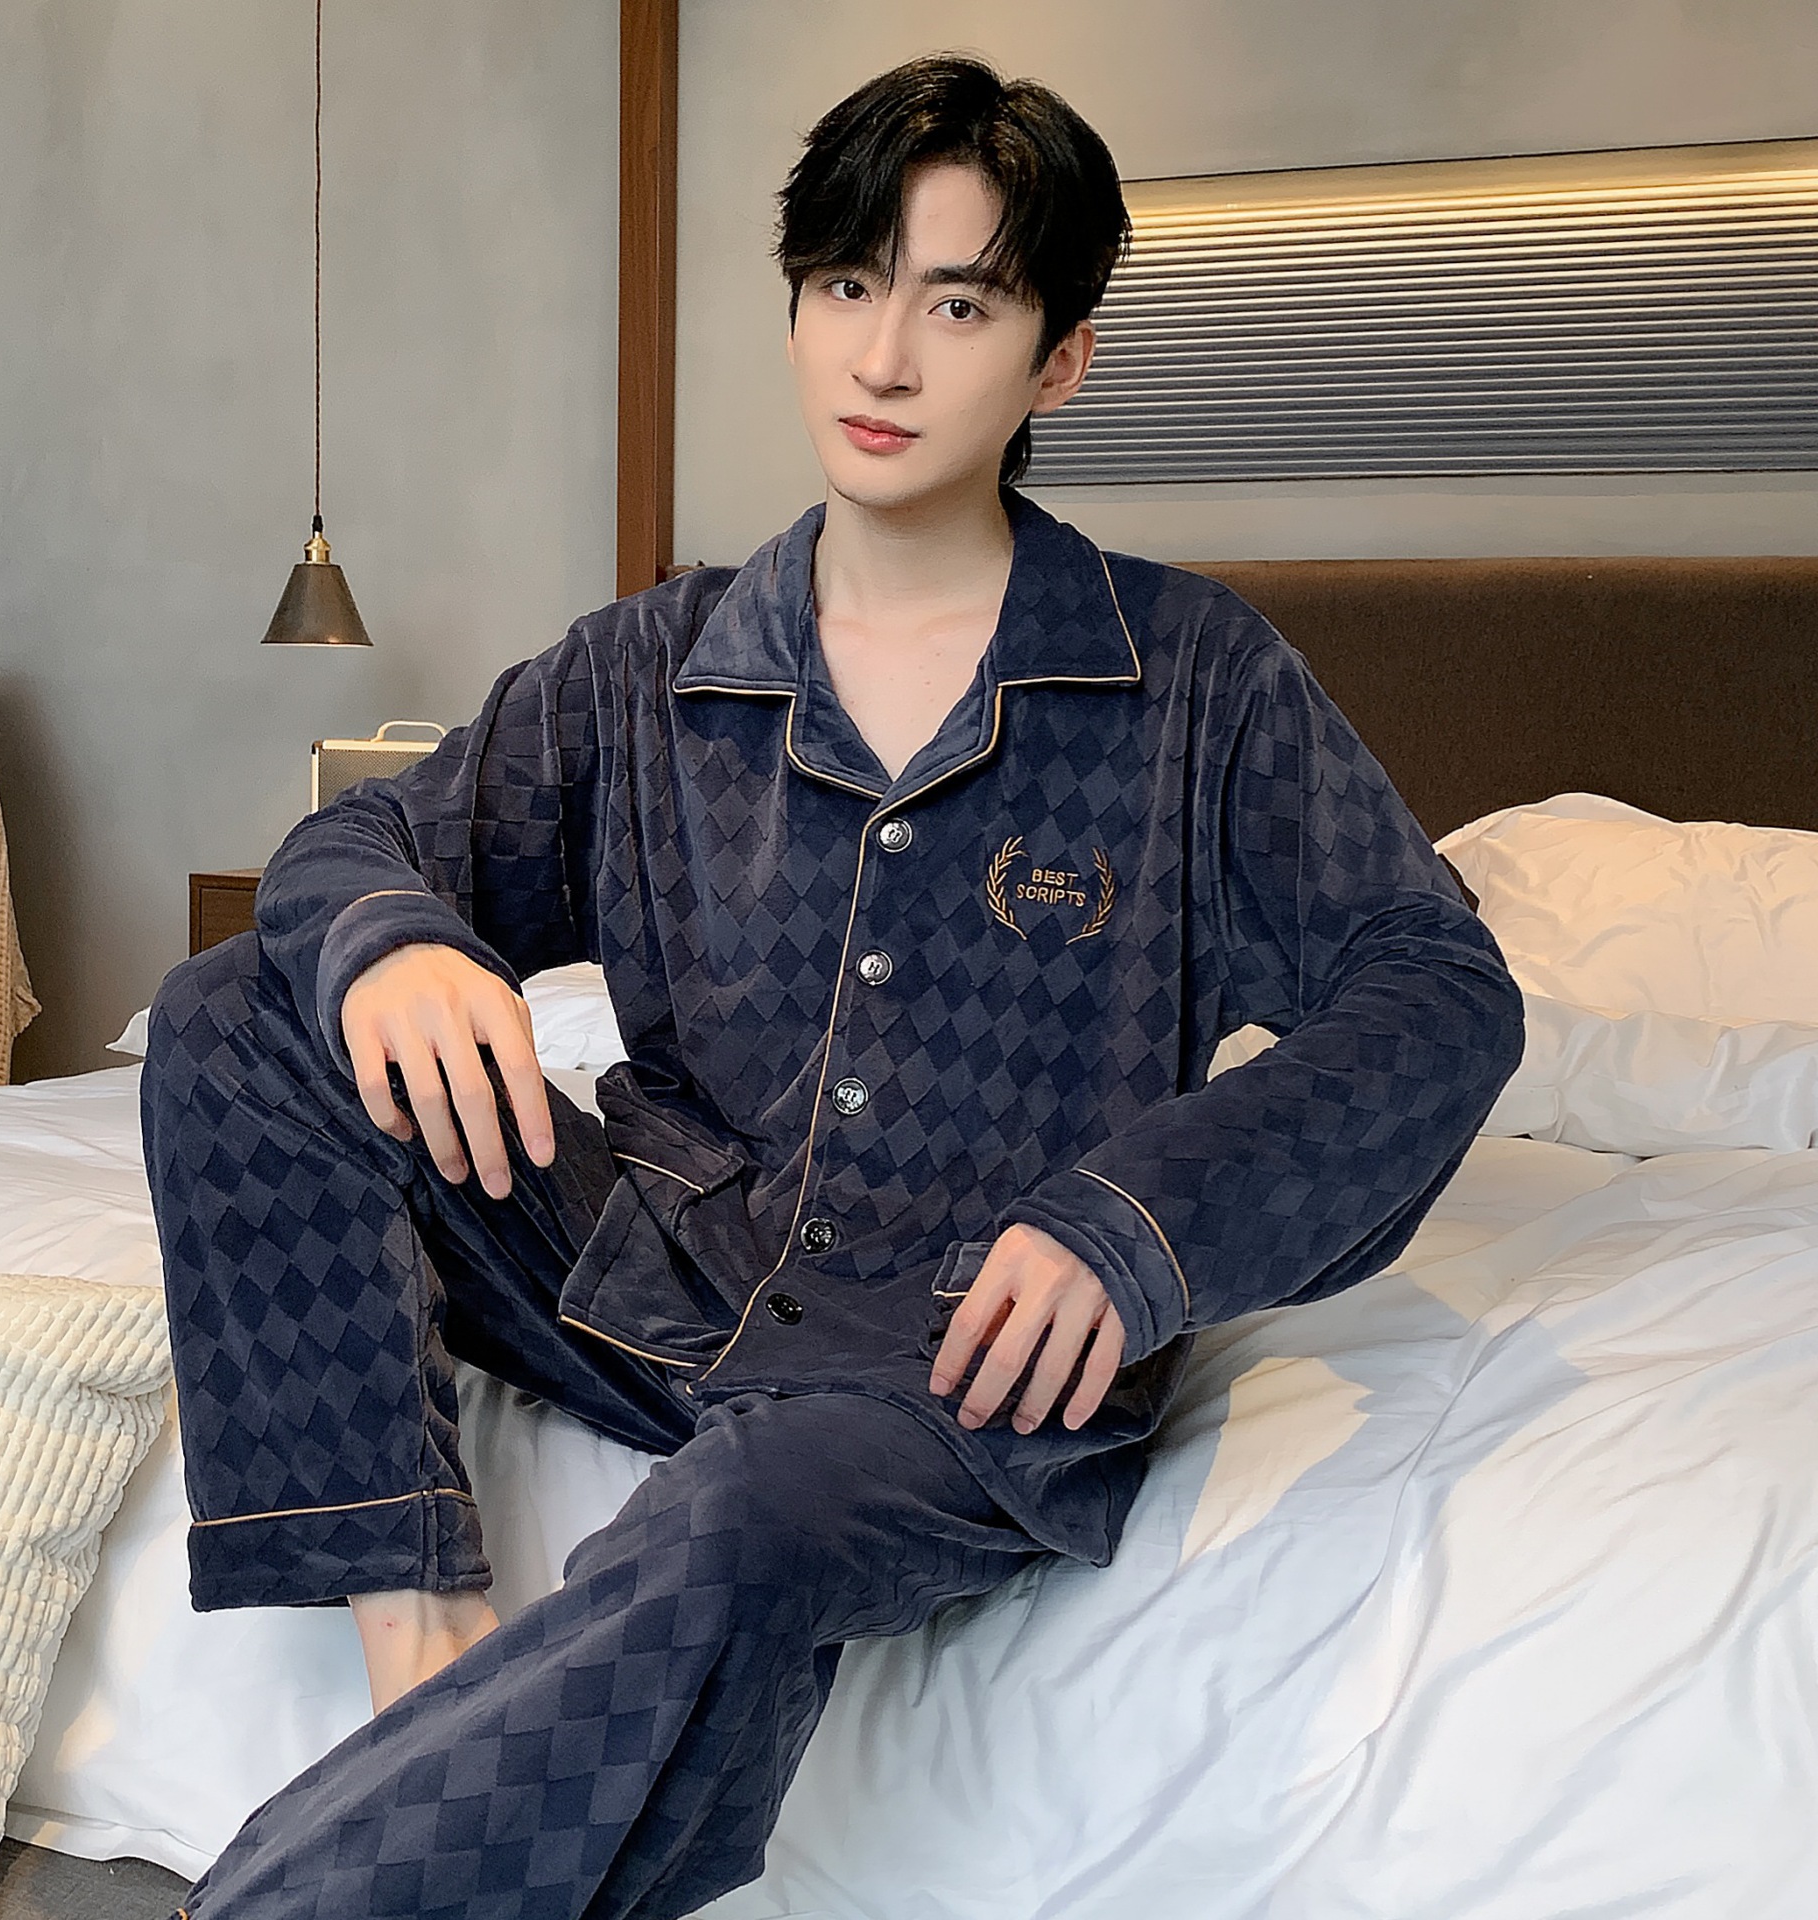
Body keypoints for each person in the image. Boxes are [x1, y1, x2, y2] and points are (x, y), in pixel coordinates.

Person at [141, 52, 1523, 1920]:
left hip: (960, 1361)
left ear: (1057, 361)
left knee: (735, 1528)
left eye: (957, 305)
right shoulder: (653, 662)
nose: (883, 359)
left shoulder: (1199, 682)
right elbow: (363, 839)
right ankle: (423, 1642)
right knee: (239, 1009)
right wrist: (393, 939)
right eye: (848, 285)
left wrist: (1138, 1227)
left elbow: (1437, 989)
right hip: (649, 1266)